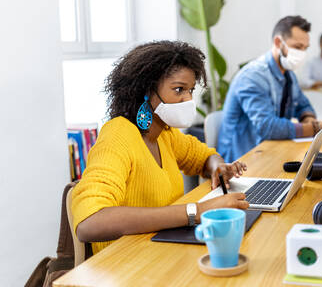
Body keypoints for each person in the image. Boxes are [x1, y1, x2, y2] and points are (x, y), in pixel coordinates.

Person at [71, 41, 249, 254]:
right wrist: (198, 211)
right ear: (147, 90)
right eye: (178, 89)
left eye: (191, 90)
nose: (188, 99)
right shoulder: (117, 135)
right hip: (125, 262)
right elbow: (90, 223)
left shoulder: (164, 133)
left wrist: (218, 166)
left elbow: (203, 156)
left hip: (162, 249)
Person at [217, 16, 322, 162]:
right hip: (241, 162)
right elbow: (268, 127)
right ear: (278, 42)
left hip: (270, 152)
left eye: (305, 48)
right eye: (297, 47)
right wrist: (316, 128)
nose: (301, 53)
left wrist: (310, 121)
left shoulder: (289, 75)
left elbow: (303, 104)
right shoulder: (253, 76)